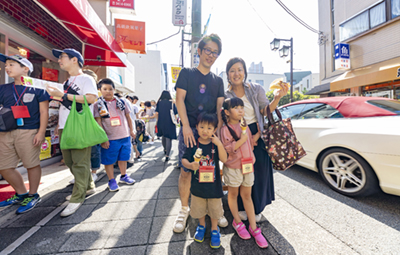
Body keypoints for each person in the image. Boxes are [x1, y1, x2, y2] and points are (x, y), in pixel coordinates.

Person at [174, 33, 227, 233]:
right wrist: (186, 126)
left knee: (212, 171)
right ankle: (184, 209)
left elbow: (220, 108)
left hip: (210, 133)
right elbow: (179, 99)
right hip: (190, 131)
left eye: (215, 52)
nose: (211, 55)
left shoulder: (218, 80)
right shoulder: (186, 73)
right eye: (208, 50)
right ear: (199, 51)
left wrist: (219, 133)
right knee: (187, 170)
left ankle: (216, 211)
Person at [224, 57, 288, 222]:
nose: (236, 73)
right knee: (239, 171)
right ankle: (239, 207)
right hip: (237, 135)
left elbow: (265, 111)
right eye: (232, 70)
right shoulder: (225, 95)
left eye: (239, 69)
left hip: (256, 133)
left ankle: (257, 208)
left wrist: (277, 98)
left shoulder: (256, 88)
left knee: (258, 172)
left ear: (244, 72)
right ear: (228, 74)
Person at [46, 48, 98, 217]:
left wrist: (63, 96)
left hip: (79, 125)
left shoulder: (86, 79)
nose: (60, 60)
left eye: (62, 57)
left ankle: (77, 197)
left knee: (80, 162)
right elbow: (66, 102)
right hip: (64, 126)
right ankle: (88, 186)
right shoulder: (67, 81)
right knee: (68, 160)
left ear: (74, 59)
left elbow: (91, 99)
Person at [0, 54, 49, 214]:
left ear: (25, 68)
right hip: (5, 131)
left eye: (11, 64)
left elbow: (44, 111)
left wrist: (41, 132)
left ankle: (33, 194)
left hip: (29, 131)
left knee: (31, 164)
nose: (7, 68)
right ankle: (21, 193)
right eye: (6, 65)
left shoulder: (39, 88)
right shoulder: (4, 88)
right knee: (4, 166)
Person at [220, 97, 268, 248]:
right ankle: (238, 222)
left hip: (248, 165)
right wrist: (242, 138)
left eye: (241, 107)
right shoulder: (224, 129)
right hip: (233, 167)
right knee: (233, 195)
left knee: (247, 196)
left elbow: (250, 143)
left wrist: (257, 135)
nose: (240, 110)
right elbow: (228, 148)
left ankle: (254, 227)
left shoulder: (244, 125)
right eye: (236, 107)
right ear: (227, 112)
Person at [182, 113, 227, 249]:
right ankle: (201, 226)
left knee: (214, 211)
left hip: (214, 187)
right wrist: (190, 165)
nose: (205, 131)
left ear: (214, 129)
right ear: (196, 127)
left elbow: (224, 159)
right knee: (199, 209)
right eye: (202, 127)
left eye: (209, 128)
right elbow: (184, 159)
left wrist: (219, 144)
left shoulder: (215, 145)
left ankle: (214, 229)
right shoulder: (193, 144)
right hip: (198, 187)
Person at [93, 78, 136, 191]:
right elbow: (98, 122)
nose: (108, 91)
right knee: (109, 160)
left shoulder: (121, 102)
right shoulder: (98, 104)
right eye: (105, 89)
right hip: (110, 138)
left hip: (125, 136)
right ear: (100, 90)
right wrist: (103, 138)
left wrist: (131, 131)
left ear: (114, 89)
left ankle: (123, 176)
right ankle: (111, 180)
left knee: (123, 158)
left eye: (110, 89)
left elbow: (128, 117)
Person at [155, 90, 178, 162]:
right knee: (169, 138)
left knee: (163, 136)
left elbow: (156, 113)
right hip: (170, 122)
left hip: (161, 121)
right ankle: (167, 155)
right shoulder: (172, 103)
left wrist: (157, 121)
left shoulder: (159, 103)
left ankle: (165, 149)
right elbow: (175, 114)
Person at [126, 95, 140, 161]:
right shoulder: (132, 106)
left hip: (132, 124)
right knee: (133, 141)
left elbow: (136, 115)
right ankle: (137, 153)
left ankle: (135, 154)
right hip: (132, 124)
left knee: (133, 141)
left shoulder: (133, 106)